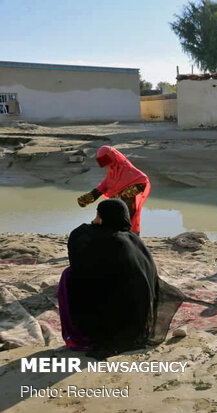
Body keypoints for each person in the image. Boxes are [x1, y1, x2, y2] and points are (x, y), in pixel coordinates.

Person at [58, 199, 183, 358]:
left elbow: (78, 257)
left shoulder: (106, 240)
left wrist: (94, 224)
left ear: (103, 216)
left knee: (68, 275)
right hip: (137, 317)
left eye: (98, 215)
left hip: (115, 320)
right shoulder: (132, 239)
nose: (95, 219)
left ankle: (79, 336)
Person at [77, 145, 151, 234]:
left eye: (105, 159)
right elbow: (105, 185)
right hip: (117, 205)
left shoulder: (127, 168)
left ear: (111, 156)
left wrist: (124, 195)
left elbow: (142, 181)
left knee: (125, 227)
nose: (106, 164)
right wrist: (87, 198)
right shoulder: (112, 169)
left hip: (127, 205)